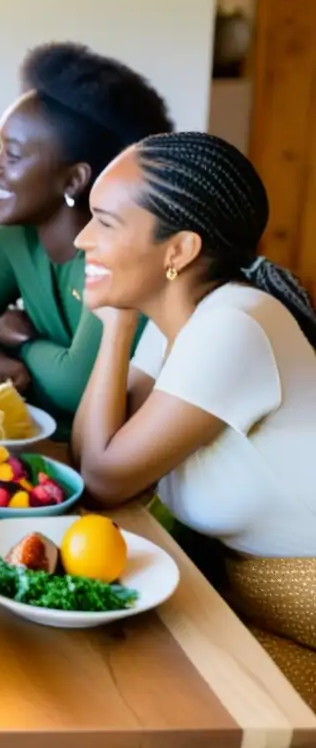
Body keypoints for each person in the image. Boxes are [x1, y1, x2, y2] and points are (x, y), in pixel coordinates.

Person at [71, 130, 316, 708]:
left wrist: (117, 321)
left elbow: (106, 480)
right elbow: (92, 453)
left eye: (105, 223)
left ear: (177, 251)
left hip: (300, 618)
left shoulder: (234, 325)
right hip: (261, 614)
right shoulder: (188, 318)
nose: (82, 238)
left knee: (148, 697)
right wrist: (119, 322)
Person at [0, 42, 173, 436]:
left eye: (14, 155)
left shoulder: (121, 256)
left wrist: (22, 344)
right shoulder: (17, 237)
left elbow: (78, 386)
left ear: (74, 178)